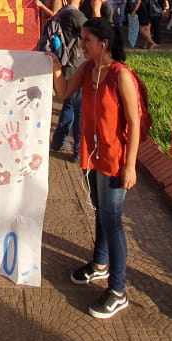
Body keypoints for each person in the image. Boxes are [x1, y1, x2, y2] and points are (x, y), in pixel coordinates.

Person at [51, 17, 142, 320]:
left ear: (103, 44)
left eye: (87, 40)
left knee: (113, 221)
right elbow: (63, 92)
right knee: (100, 212)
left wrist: (130, 165)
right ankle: (100, 264)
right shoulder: (88, 69)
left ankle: (118, 291)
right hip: (93, 155)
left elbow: (134, 122)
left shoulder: (120, 75)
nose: (83, 44)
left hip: (115, 160)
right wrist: (55, 67)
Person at [47, 0, 88, 157]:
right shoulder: (76, 15)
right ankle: (78, 150)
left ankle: (58, 141)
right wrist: (97, 9)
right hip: (75, 65)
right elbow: (95, 33)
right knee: (79, 109)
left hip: (64, 64)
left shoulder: (63, 12)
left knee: (69, 105)